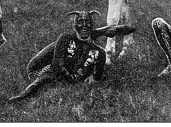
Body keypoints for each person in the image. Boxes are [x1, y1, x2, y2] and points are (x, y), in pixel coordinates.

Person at [8, 10, 136, 102]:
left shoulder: (98, 50)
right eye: (80, 22)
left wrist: (116, 29)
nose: (84, 26)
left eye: (88, 23)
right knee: (57, 65)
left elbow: (128, 28)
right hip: (41, 69)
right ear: (74, 25)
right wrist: (23, 95)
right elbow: (56, 67)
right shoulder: (65, 39)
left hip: (68, 66)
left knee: (91, 51)